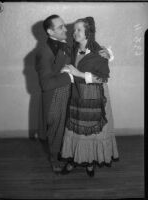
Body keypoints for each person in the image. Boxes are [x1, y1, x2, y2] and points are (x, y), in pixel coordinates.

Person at [35, 15, 112, 174]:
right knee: (57, 131)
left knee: (73, 130)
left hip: (76, 95)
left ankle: (78, 159)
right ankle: (56, 159)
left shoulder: (68, 45)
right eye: (61, 27)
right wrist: (69, 75)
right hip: (56, 96)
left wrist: (108, 54)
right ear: (50, 31)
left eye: (65, 26)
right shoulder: (44, 51)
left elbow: (90, 54)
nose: (67, 29)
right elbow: (45, 84)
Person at [60, 17, 119, 177]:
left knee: (93, 131)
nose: (75, 33)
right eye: (74, 30)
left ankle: (90, 162)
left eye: (79, 30)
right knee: (76, 128)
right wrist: (68, 73)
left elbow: (103, 78)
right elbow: (69, 69)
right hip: (78, 95)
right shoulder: (72, 50)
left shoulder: (100, 52)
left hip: (95, 97)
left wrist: (79, 73)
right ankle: (73, 160)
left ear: (88, 32)